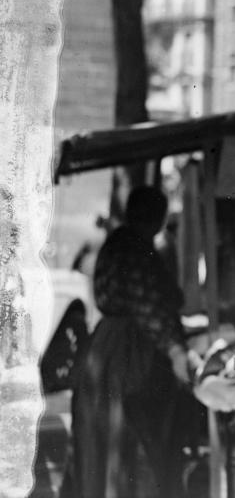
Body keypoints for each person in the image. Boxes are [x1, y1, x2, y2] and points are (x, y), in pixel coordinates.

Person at [71, 186, 194, 498]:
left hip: (106, 345)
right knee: (133, 437)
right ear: (155, 218)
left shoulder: (118, 242)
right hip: (128, 351)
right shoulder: (134, 248)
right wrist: (177, 352)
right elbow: (148, 306)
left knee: (106, 439)